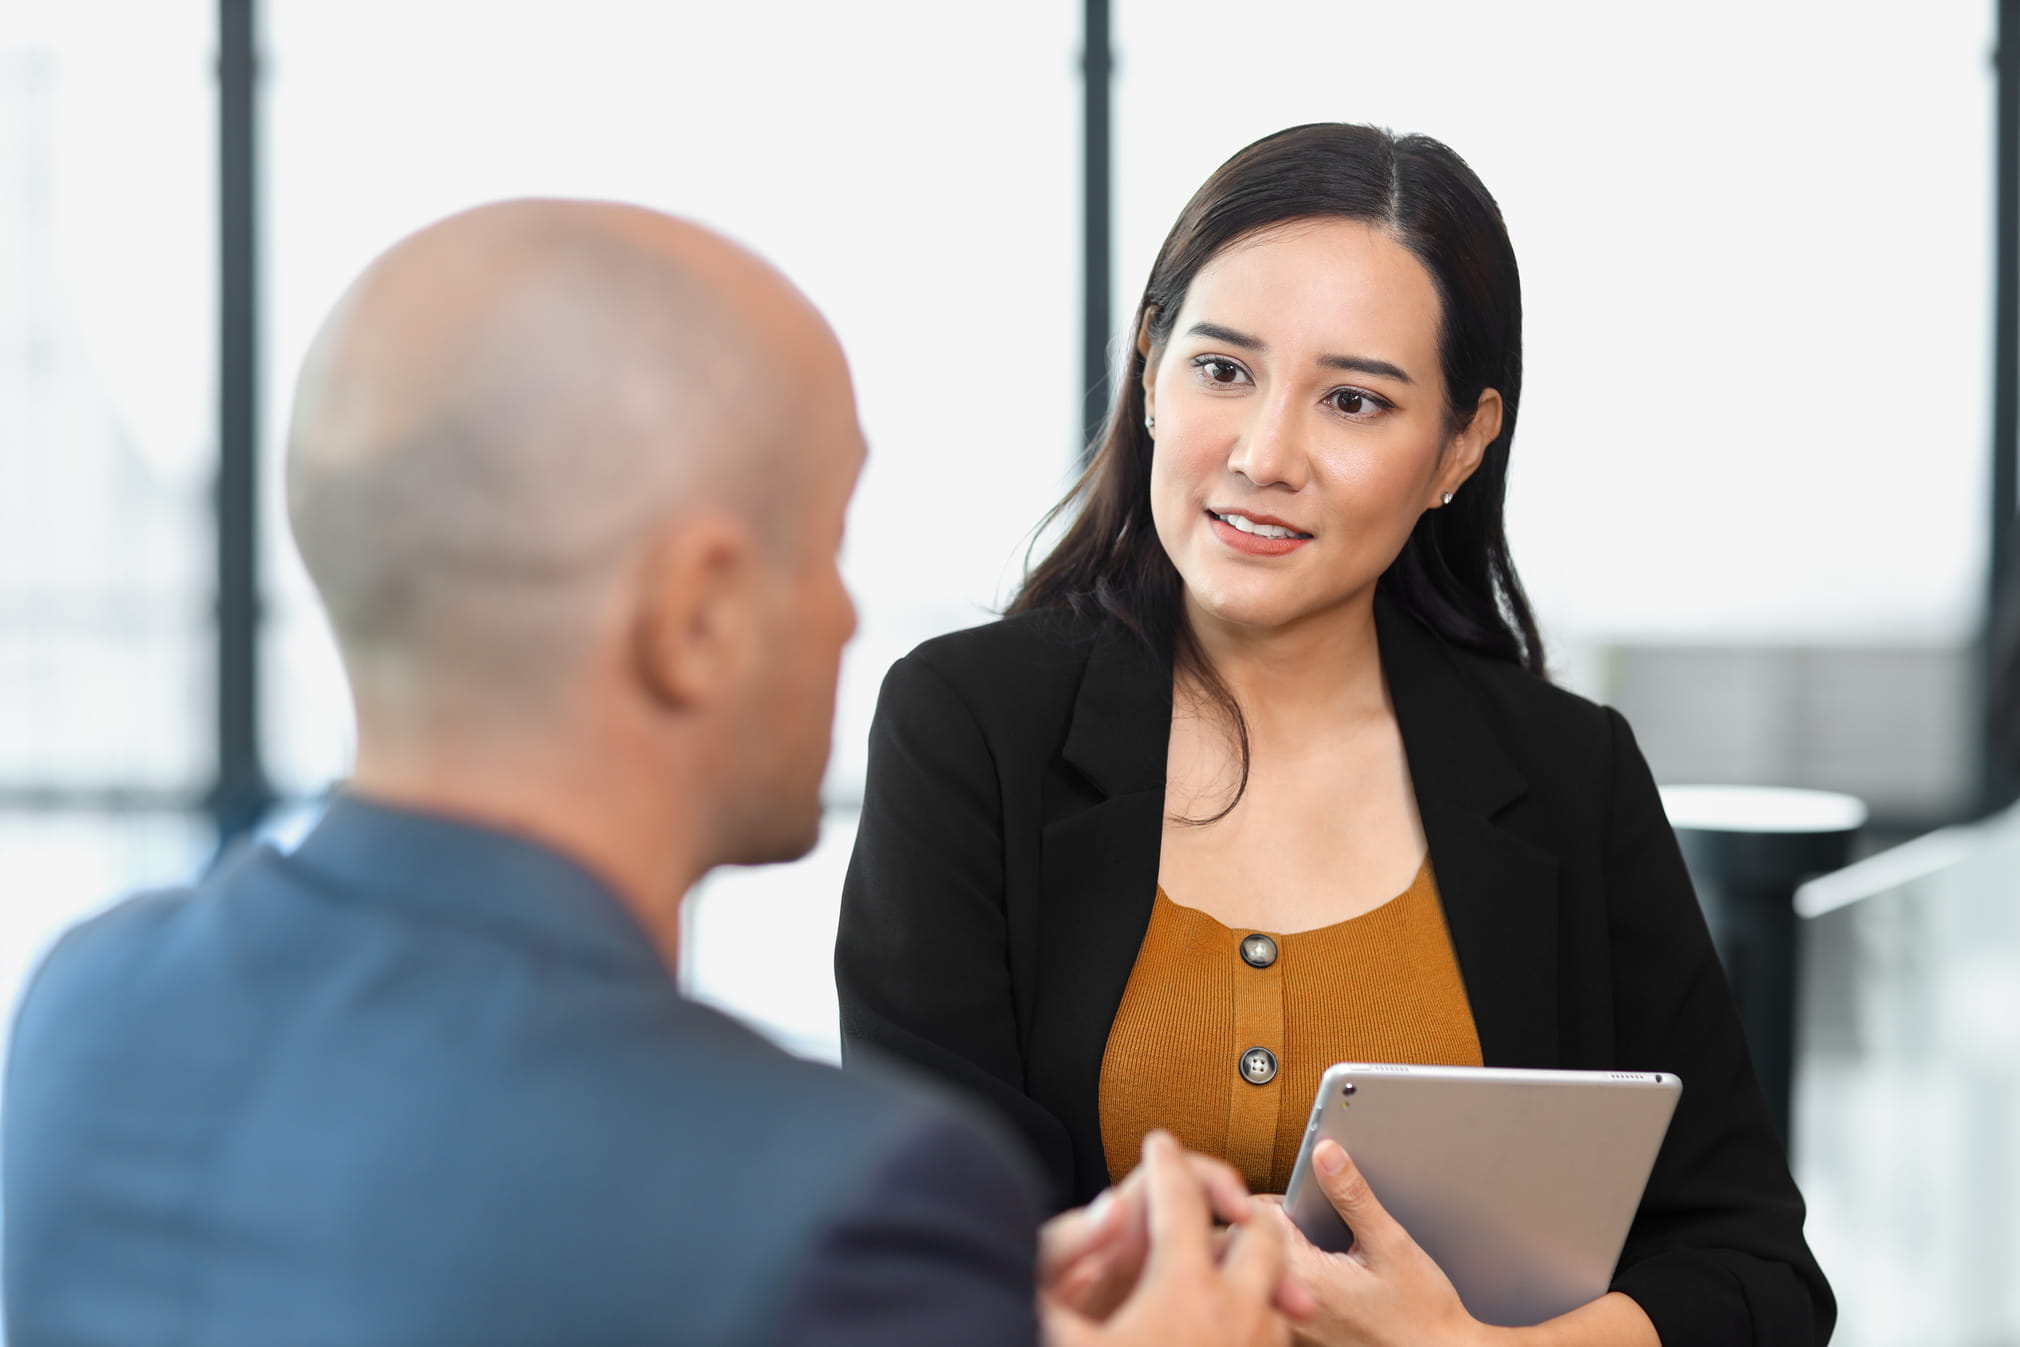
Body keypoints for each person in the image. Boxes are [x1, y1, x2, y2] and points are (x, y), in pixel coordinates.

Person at [1, 200, 1307, 1347]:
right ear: (700, 618)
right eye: (827, 544)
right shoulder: (837, 1189)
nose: (849, 617)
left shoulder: (87, 1001)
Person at [835, 123, 1836, 1346]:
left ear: (1460, 446)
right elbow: (922, 1251)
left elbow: (1754, 1272)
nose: (1264, 456)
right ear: (1149, 369)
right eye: (1221, 370)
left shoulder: (1570, 775)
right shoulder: (969, 727)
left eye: (1353, 401)